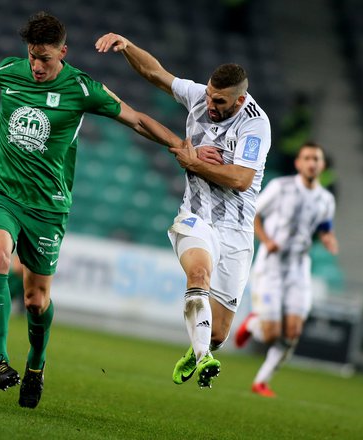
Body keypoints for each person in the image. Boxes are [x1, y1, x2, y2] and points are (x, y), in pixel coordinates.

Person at [0, 12, 198, 409]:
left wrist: (179, 144)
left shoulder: (82, 88)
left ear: (62, 51)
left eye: (44, 58)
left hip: (47, 207)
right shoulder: (7, 71)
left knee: (35, 301)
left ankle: (36, 364)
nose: (37, 66)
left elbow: (137, 119)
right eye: (32, 57)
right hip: (1, 192)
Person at [96, 34, 271, 388]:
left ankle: (203, 347)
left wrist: (193, 161)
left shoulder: (255, 125)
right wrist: (128, 46)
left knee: (219, 332)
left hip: (236, 229)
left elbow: (239, 179)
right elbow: (156, 73)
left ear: (239, 100)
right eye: (207, 93)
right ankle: (204, 358)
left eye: (219, 100)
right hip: (196, 216)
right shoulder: (199, 97)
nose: (209, 103)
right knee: (198, 275)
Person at [234, 142, 338, 397]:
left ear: (322, 165)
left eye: (316, 158)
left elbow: (324, 226)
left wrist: (327, 238)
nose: (312, 162)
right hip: (271, 267)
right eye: (307, 158)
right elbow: (254, 213)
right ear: (298, 163)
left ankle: (261, 381)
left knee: (292, 333)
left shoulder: (326, 199)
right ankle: (254, 324)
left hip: (298, 269)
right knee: (271, 335)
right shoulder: (281, 188)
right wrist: (267, 241)